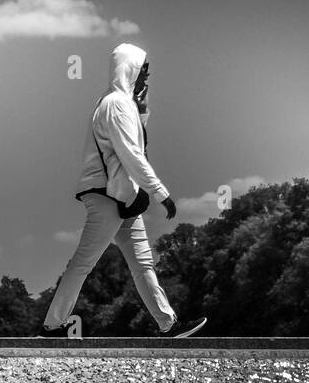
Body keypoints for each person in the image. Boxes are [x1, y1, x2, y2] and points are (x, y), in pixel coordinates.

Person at [38, 42, 207, 338]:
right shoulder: (116, 104)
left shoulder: (121, 103)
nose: (147, 78)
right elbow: (131, 152)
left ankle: (168, 324)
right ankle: (52, 326)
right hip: (107, 196)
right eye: (144, 70)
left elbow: (133, 143)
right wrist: (160, 192)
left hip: (122, 198)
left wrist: (141, 110)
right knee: (84, 263)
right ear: (130, 69)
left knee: (142, 263)